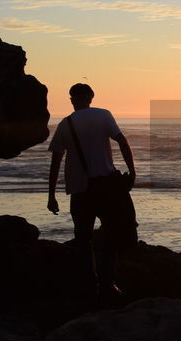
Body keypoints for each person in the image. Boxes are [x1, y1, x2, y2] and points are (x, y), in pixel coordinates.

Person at [47, 83, 137, 297]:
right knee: (111, 236)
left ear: (71, 99)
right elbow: (122, 142)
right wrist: (132, 171)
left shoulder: (65, 124)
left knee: (83, 239)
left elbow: (56, 161)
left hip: (80, 191)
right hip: (106, 187)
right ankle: (108, 284)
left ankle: (89, 284)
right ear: (91, 97)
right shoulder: (103, 115)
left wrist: (51, 195)